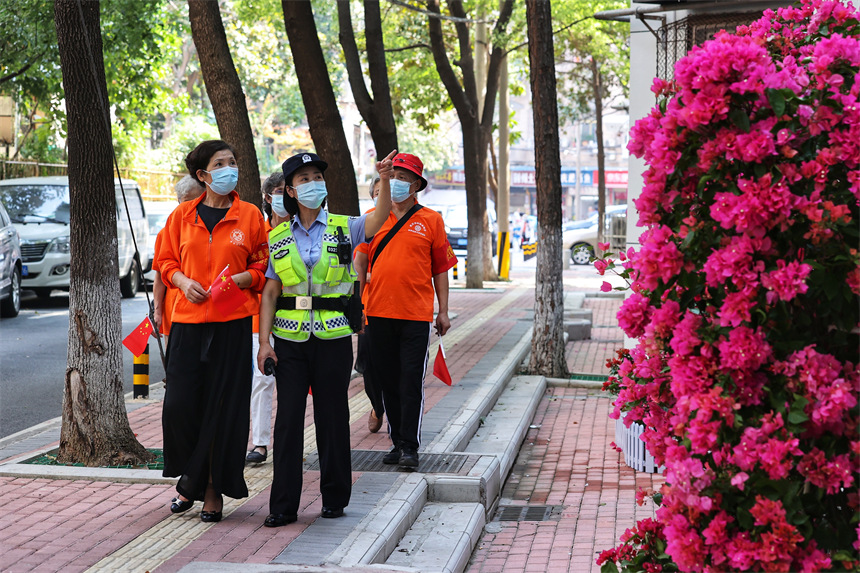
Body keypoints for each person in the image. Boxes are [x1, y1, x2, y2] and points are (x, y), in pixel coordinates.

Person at [257, 150, 394, 527]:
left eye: (317, 176)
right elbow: (270, 292)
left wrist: (382, 180)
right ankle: (283, 505)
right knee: (287, 422)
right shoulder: (278, 236)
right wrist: (264, 342)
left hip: (333, 337)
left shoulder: (343, 226)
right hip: (289, 339)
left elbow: (379, 219)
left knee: (332, 416)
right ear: (289, 190)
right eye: (304, 179)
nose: (313, 183)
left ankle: (334, 498)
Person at [155, 140, 270, 523]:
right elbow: (166, 261)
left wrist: (243, 278)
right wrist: (182, 281)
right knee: (179, 407)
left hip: (232, 325)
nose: (229, 168)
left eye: (232, 162)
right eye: (219, 164)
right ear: (202, 175)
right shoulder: (182, 216)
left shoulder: (251, 216)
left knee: (223, 411)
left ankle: (210, 491)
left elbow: (264, 267)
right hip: (187, 323)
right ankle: (192, 478)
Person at [363, 153, 457, 470]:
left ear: (416, 184)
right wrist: (358, 300)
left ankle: (409, 446)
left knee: (410, 382)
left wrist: (443, 311)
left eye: (405, 178)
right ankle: (396, 440)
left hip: (416, 316)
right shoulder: (372, 219)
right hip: (377, 312)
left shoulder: (431, 220)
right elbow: (359, 262)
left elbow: (441, 269)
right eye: (394, 177)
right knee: (387, 380)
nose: (399, 183)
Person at [246, 172, 288, 464]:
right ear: (267, 196)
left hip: (295, 319)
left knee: (294, 383)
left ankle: (289, 440)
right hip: (259, 319)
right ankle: (260, 444)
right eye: (278, 190)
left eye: (288, 190)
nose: (283, 196)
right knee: (262, 380)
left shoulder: (303, 231)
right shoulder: (256, 232)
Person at [152, 175, 205, 339]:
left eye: (196, 201)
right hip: (175, 313)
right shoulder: (166, 232)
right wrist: (157, 312)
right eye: (186, 202)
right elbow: (160, 276)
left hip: (212, 312)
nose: (191, 207)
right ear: (178, 201)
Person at [352, 176, 384, 433]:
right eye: (377, 192)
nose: (381, 195)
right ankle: (377, 405)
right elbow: (359, 263)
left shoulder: (423, 219)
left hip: (403, 310)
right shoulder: (369, 223)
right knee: (369, 366)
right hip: (371, 308)